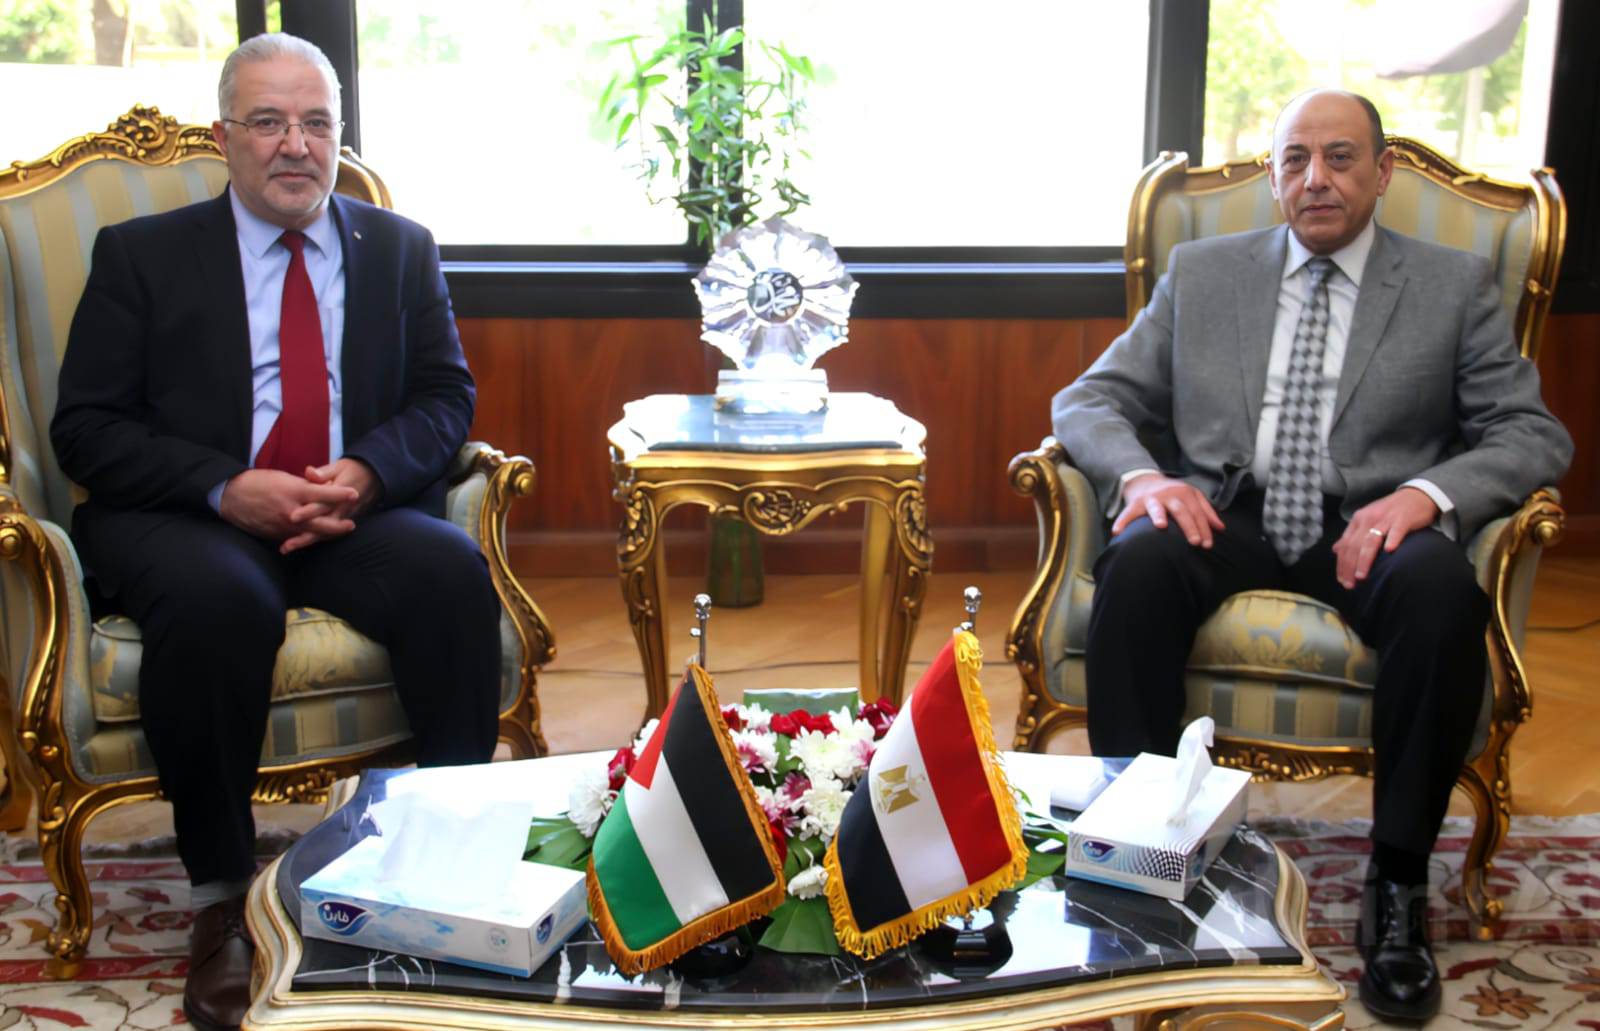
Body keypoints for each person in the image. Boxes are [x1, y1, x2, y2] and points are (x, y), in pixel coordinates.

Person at [1051, 88, 1571, 1023]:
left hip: (1371, 522)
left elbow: (1532, 432)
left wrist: (1426, 494)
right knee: (1137, 567)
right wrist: (1143, 479)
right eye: (1295, 159)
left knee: (1442, 596)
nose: (1316, 178)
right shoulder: (1203, 272)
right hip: (1227, 510)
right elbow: (1089, 400)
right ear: (1274, 176)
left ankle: (1397, 890)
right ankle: (1140, 853)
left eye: (1339, 157)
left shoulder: (1452, 285)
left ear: (1382, 172)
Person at [50, 33, 502, 1031]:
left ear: (338, 136)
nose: (295, 145)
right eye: (268, 122)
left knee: (449, 570)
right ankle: (223, 900)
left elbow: (444, 397)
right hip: (189, 515)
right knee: (224, 601)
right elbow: (85, 427)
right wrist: (224, 487)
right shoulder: (142, 254)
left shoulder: (399, 247)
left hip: (346, 508)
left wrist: (369, 470)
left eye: (315, 123)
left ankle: (447, 855)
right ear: (225, 138)